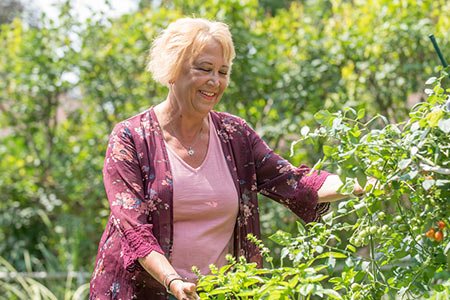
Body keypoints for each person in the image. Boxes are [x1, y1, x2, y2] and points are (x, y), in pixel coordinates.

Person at [89, 17, 364, 300]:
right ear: (173, 69)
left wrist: (360, 184)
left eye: (223, 71)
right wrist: (173, 281)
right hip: (143, 292)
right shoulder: (130, 137)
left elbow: (294, 182)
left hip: (217, 292)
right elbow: (134, 230)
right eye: (205, 69)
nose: (215, 81)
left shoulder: (235, 135)